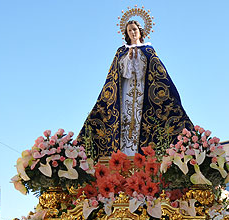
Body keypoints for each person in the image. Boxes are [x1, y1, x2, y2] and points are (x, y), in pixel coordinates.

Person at [76, 17, 192, 160]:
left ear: (140, 31)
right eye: (129, 30)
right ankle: (124, 155)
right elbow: (114, 75)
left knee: (140, 120)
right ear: (126, 33)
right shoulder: (121, 52)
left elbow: (159, 73)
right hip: (124, 92)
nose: (132, 32)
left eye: (134, 29)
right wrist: (128, 60)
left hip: (144, 92)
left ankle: (140, 155)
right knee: (124, 120)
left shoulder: (148, 50)